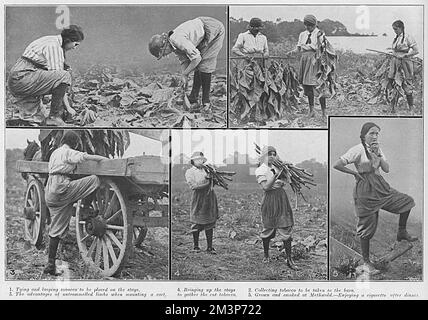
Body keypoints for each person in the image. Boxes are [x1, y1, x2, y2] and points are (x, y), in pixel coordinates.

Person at [333, 122, 417, 275]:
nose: (375, 136)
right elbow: (337, 164)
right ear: (364, 134)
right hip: (366, 190)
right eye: (372, 133)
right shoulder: (357, 149)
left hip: (381, 186)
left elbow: (386, 169)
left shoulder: (377, 148)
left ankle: (401, 232)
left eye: (377, 133)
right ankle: (366, 262)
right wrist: (354, 173)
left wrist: (378, 154)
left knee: (407, 202)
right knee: (366, 228)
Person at [43, 131, 108, 276]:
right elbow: (85, 157)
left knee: (56, 228)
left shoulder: (55, 153)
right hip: (61, 188)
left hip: (50, 191)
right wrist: (104, 159)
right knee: (94, 179)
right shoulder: (68, 152)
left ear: (63, 141)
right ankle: (85, 207)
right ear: (75, 144)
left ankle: (50, 264)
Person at [8, 25, 84, 126]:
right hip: (23, 78)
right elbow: (60, 79)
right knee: (65, 76)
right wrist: (68, 107)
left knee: (37, 119)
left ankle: (30, 116)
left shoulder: (51, 40)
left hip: (21, 78)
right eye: (75, 44)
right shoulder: (54, 46)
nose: (75, 48)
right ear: (68, 40)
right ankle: (54, 116)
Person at [149, 17, 225, 113]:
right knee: (197, 65)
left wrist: (185, 74)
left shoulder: (177, 40)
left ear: (163, 46)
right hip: (202, 32)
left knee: (205, 64)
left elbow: (197, 58)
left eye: (163, 54)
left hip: (213, 29)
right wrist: (184, 76)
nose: (166, 55)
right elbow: (184, 60)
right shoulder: (172, 44)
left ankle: (206, 102)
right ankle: (193, 96)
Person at [255, 146, 297, 269]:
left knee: (285, 227)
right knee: (268, 228)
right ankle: (266, 255)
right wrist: (275, 177)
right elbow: (266, 187)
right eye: (269, 154)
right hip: (269, 199)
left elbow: (287, 181)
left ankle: (289, 260)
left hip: (281, 198)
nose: (272, 156)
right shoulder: (260, 170)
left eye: (274, 154)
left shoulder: (277, 167)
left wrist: (285, 169)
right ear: (263, 157)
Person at [286, 15, 328, 119]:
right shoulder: (302, 34)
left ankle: (323, 112)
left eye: (311, 25)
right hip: (305, 59)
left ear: (315, 25)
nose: (309, 27)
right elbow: (299, 48)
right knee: (307, 85)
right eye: (307, 25)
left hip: (315, 61)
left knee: (319, 85)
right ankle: (311, 110)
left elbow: (323, 49)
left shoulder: (320, 34)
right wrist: (291, 52)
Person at [185, 151, 219, 254]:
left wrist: (214, 178)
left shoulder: (207, 170)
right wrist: (208, 183)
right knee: (197, 221)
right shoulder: (190, 172)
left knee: (210, 221)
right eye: (197, 160)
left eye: (201, 160)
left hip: (209, 197)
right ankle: (196, 246)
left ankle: (209, 247)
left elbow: (213, 182)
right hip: (199, 197)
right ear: (193, 161)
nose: (200, 161)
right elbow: (193, 186)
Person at [387, 20, 419, 113]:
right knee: (392, 81)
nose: (395, 31)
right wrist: (392, 53)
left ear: (401, 28)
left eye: (396, 29)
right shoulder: (396, 38)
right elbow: (395, 50)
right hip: (395, 62)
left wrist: (406, 55)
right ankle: (393, 107)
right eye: (393, 29)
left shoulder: (408, 37)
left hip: (404, 62)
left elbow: (416, 51)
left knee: (406, 83)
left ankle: (411, 107)